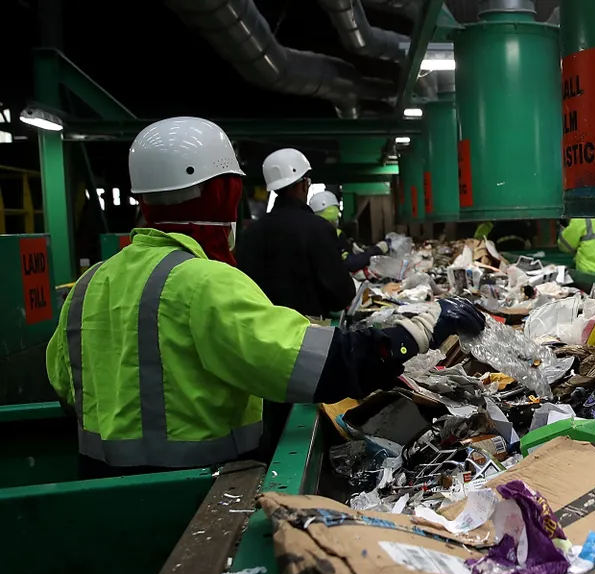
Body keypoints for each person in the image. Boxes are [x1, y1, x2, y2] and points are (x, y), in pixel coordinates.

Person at [45, 117, 486, 477]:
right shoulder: (203, 282)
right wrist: (421, 328)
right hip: (201, 492)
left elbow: (67, 388)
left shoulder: (88, 285)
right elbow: (326, 367)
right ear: (222, 194)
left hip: (98, 490)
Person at [236, 148, 356, 318]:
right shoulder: (318, 228)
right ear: (304, 184)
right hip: (307, 333)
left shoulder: (251, 233)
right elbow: (341, 293)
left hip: (261, 332)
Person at [309, 190, 390, 273]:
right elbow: (349, 263)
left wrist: (351, 250)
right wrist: (377, 250)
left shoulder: (309, 235)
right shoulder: (332, 235)